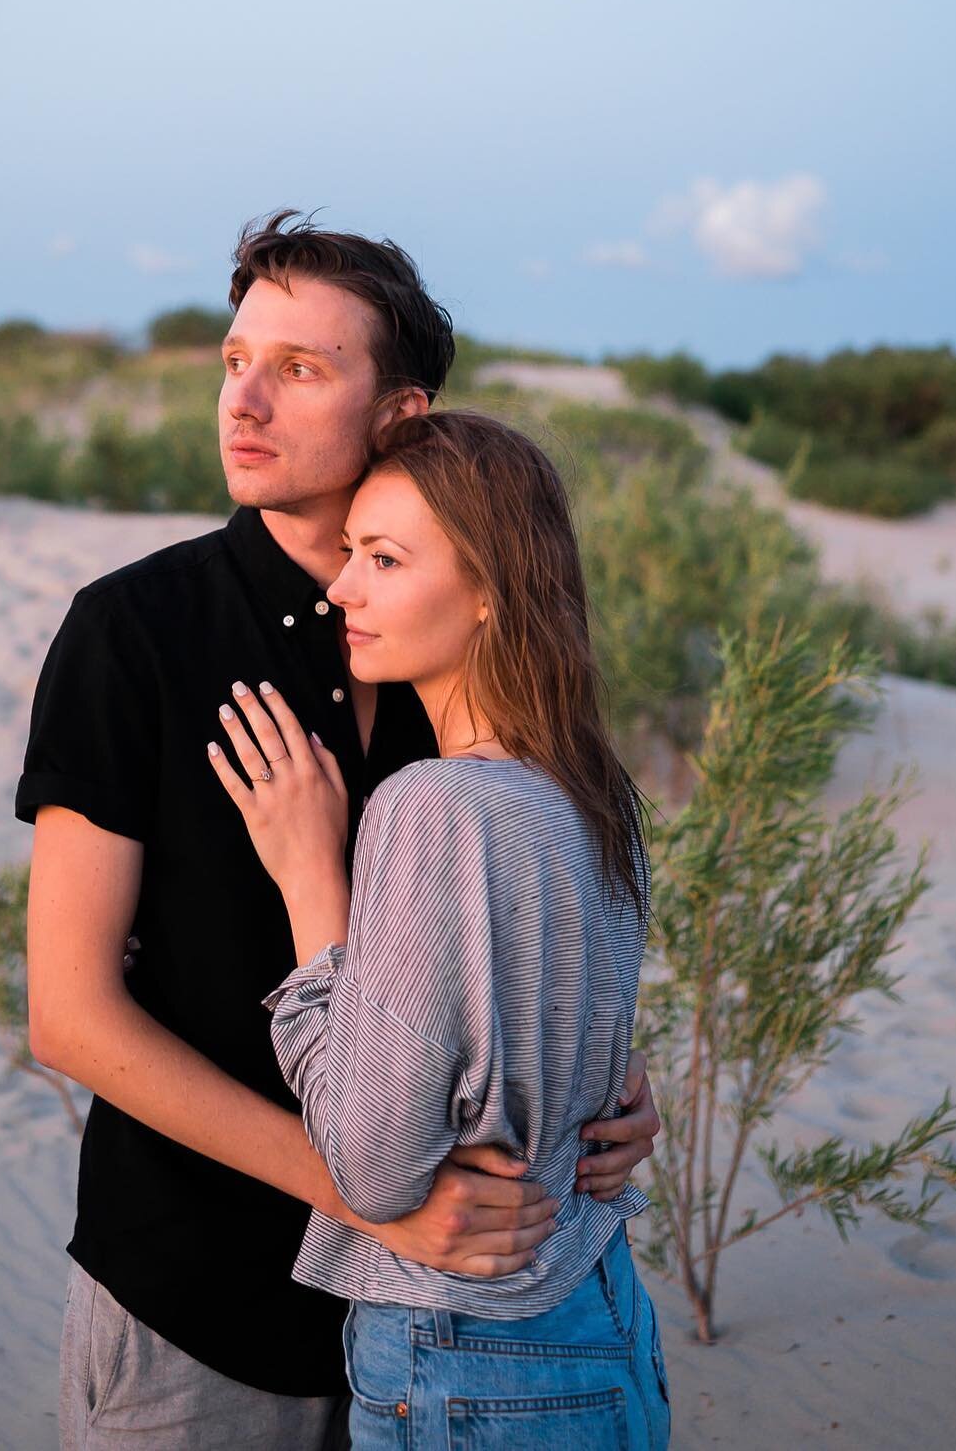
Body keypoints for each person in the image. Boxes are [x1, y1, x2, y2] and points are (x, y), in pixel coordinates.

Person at [16, 211, 663, 1448]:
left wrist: (614, 1096)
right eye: (234, 358)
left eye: (300, 367)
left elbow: (508, 951)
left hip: (452, 1328)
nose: (243, 400)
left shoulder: (452, 653)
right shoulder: (134, 633)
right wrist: (375, 1203)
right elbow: (70, 1012)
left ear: (403, 414)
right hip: (196, 1307)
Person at [207, 407, 671, 1448]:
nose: (341, 589)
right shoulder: (593, 791)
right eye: (348, 554)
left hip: (472, 1343)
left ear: (488, 594)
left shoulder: (433, 805)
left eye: (383, 558)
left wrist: (306, 881)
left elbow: (375, 1170)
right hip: (601, 1313)